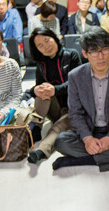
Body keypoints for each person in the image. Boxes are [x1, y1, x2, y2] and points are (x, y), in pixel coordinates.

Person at [53, 27, 109, 172]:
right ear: (85, 53)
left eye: (104, 50)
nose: (100, 57)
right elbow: (75, 113)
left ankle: (83, 160)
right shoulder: (75, 76)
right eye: (94, 51)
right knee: (61, 142)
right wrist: (87, 139)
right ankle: (108, 157)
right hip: (90, 129)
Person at [26, 27, 81, 164]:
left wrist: (54, 90)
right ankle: (37, 127)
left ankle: (41, 151)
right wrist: (36, 90)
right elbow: (34, 89)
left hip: (74, 108)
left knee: (56, 128)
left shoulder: (71, 55)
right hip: (55, 108)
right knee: (42, 91)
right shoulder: (41, 64)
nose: (46, 46)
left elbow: (78, 84)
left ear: (55, 38)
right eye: (40, 45)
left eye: (47, 40)